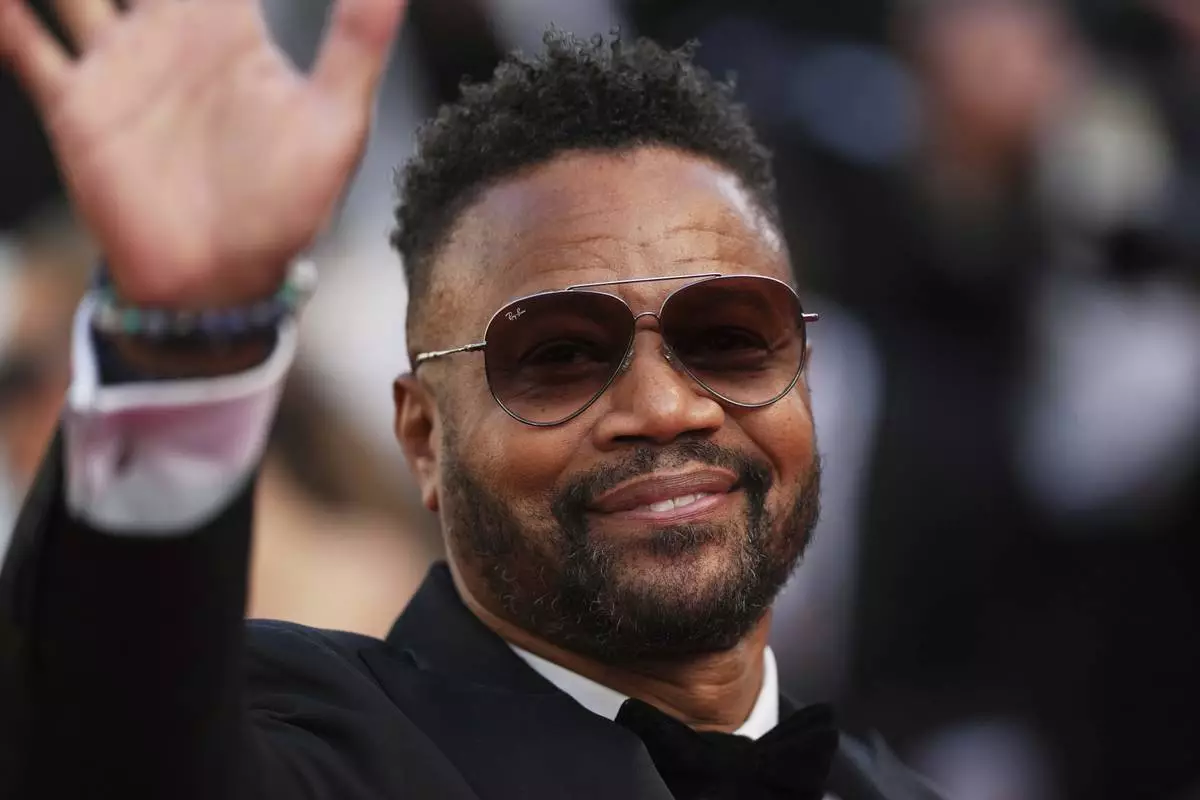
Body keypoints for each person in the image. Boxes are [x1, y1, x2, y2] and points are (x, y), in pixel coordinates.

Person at [0, 1, 941, 798]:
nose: (666, 406)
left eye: (729, 338)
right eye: (560, 356)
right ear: (422, 437)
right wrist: (183, 335)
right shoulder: (310, 744)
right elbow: (109, 742)